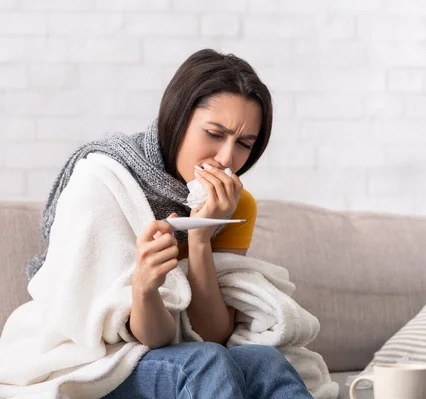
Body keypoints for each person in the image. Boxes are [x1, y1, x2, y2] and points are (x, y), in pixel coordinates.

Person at [29, 48, 313, 399]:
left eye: (243, 144)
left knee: (266, 362)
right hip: (92, 360)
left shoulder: (236, 207)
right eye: (214, 133)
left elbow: (211, 335)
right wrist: (143, 288)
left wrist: (200, 239)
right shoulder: (103, 182)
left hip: (183, 355)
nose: (226, 159)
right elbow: (146, 338)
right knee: (204, 362)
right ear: (178, 119)